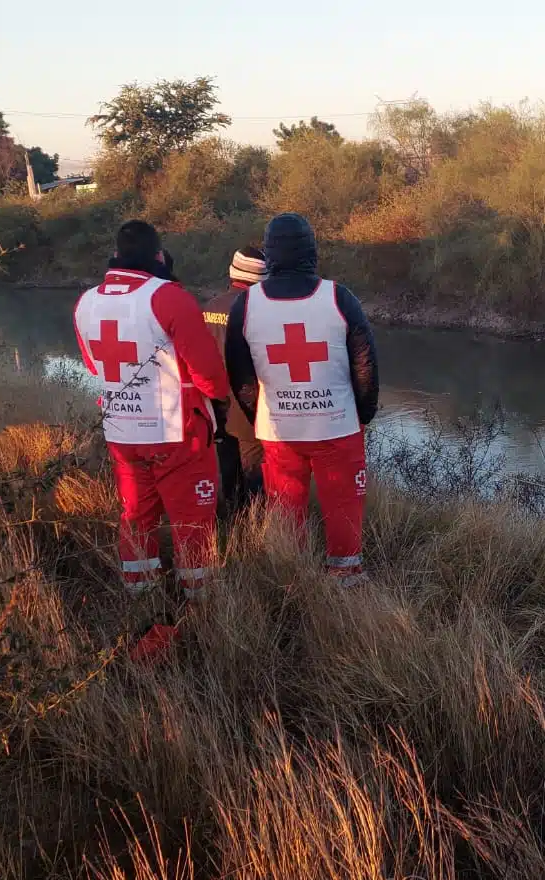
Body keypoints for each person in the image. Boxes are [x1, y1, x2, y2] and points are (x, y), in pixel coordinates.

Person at [72, 219, 231, 660]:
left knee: (136, 515)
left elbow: (93, 366)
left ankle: (140, 596)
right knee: (193, 521)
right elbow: (208, 372)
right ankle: (199, 606)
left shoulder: (84, 303)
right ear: (159, 257)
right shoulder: (169, 296)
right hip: (175, 432)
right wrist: (219, 402)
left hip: (121, 432)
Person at [225, 213, 379, 586]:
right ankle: (345, 578)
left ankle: (290, 576)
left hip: (279, 432)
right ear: (313, 250)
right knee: (343, 504)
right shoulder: (339, 297)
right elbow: (366, 366)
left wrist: (261, 415)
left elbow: (241, 376)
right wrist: (363, 414)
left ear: (271, 254)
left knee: (285, 506)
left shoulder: (246, 305)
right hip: (337, 427)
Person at [200, 243, 268, 521]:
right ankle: (257, 528)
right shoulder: (260, 309)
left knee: (228, 466)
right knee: (254, 470)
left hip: (216, 403)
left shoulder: (210, 307)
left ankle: (231, 522)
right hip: (249, 404)